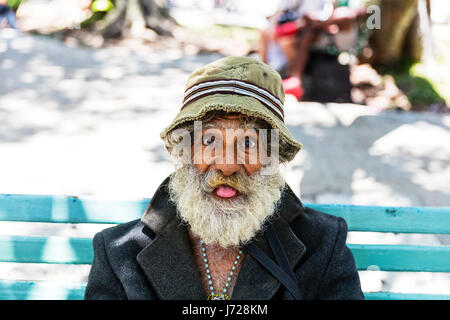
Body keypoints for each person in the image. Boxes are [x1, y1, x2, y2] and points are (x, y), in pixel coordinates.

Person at [84, 56, 364, 300]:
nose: (228, 165)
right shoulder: (118, 253)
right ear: (186, 151)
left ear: (273, 157)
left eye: (248, 143)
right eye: (209, 140)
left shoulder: (323, 245)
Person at [259, 0, 365, 100]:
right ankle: (287, 79)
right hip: (319, 31)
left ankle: (296, 79)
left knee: (312, 29)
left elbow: (353, 14)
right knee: (298, 36)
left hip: (340, 34)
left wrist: (321, 22)